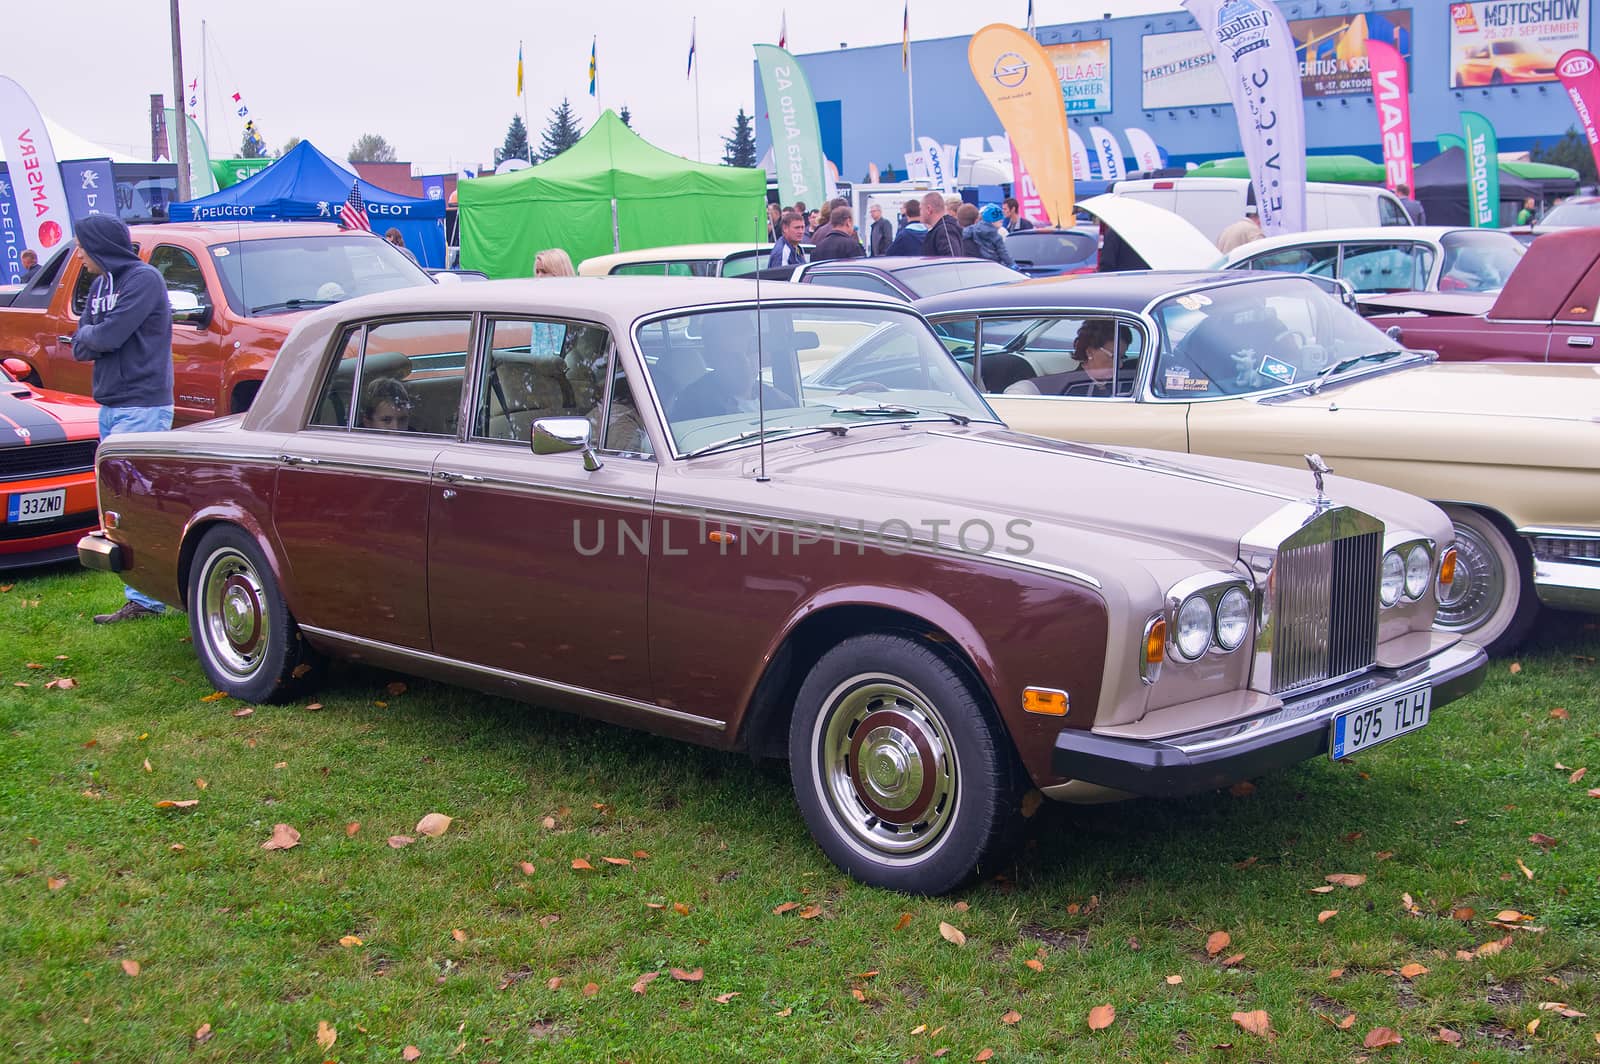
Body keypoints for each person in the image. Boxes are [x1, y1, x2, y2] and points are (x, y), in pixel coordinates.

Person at [71, 215, 174, 624]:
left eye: (82, 245)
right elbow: (82, 341)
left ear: (99, 245)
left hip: (142, 406)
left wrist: (95, 336)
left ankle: (148, 599)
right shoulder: (99, 286)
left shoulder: (144, 280)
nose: (79, 254)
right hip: (110, 405)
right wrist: (94, 335)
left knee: (135, 503)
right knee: (118, 504)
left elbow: (105, 337)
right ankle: (143, 596)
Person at [671, 312, 793, 420]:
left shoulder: (779, 400)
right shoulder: (693, 404)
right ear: (713, 359)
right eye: (733, 356)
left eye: (749, 351)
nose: (745, 362)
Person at [958, 203, 1014, 267]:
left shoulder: (959, 238)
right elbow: (1004, 254)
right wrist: (1013, 265)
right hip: (993, 268)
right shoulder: (997, 235)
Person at [922, 191, 964, 257]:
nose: (919, 213)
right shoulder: (942, 229)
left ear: (928, 209)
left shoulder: (945, 230)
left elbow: (952, 260)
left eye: (921, 209)